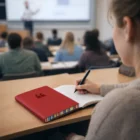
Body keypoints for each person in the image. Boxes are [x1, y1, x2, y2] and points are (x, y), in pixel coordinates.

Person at [67, 0, 140, 139]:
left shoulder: (120, 106)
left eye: (113, 25)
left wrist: (72, 137)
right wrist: (99, 88)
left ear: (127, 27)